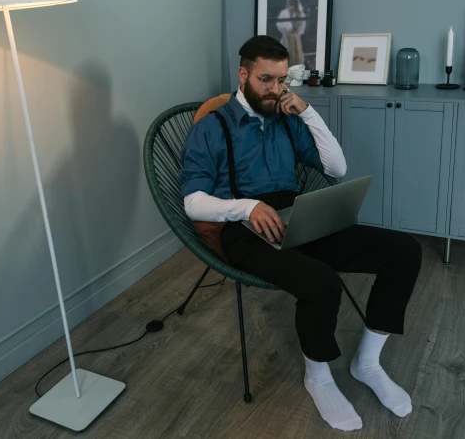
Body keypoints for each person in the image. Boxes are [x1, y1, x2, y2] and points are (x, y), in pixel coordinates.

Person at [179, 35, 421, 432]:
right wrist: (247, 207)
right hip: (243, 228)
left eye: (281, 81)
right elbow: (193, 201)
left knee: (404, 251)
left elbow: (337, 167)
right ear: (243, 75)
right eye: (265, 80)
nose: (275, 91)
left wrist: (308, 112)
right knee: (321, 282)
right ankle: (318, 376)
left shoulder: (287, 121)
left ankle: (367, 363)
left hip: (298, 215)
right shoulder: (212, 128)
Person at [276, 0, 306, 67]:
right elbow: (279, 24)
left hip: (295, 38)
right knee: (286, 53)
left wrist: (296, 29)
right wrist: (287, 28)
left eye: (294, 3)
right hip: (286, 37)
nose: (292, 5)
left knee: (296, 55)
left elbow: (302, 25)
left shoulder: (300, 13)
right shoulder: (284, 13)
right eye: (291, 3)